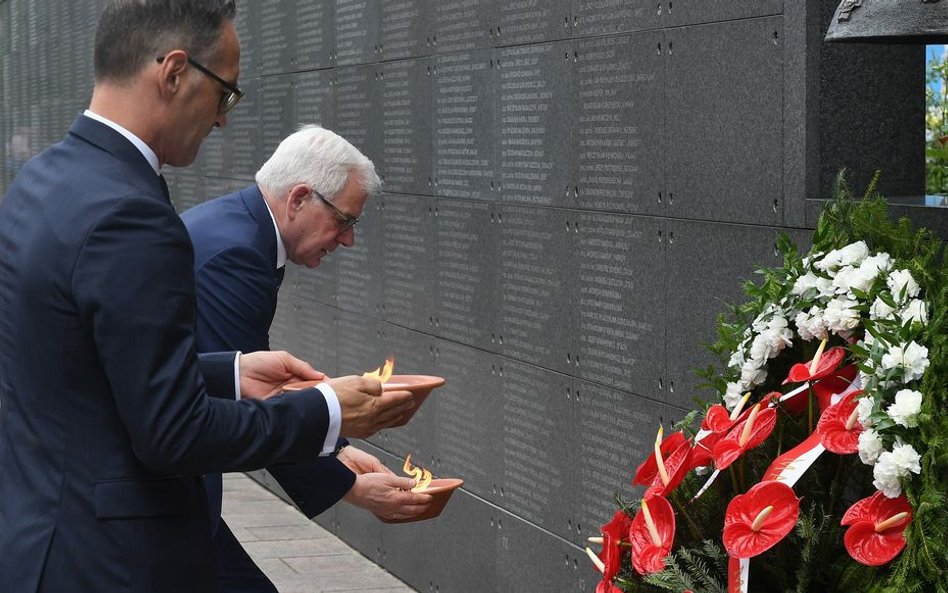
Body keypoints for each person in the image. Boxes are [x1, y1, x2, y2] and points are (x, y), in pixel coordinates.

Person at [0, 2, 414, 591]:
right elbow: (173, 432)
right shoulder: (133, 214)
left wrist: (232, 372)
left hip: (42, 540)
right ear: (172, 72)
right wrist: (328, 408)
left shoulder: (39, 181)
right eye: (225, 93)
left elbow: (82, 367)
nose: (222, 120)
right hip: (111, 560)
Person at [182, 126, 432, 592]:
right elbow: (252, 408)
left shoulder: (241, 230)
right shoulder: (238, 253)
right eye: (344, 221)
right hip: (153, 496)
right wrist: (348, 485)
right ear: (298, 198)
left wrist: (338, 450)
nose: (349, 240)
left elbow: (243, 383)